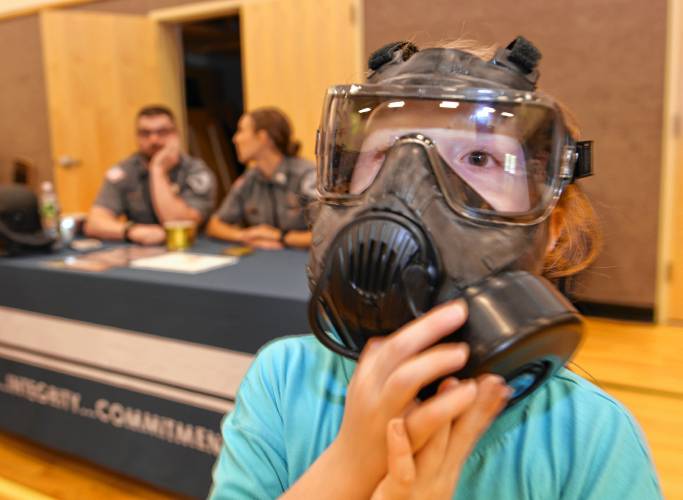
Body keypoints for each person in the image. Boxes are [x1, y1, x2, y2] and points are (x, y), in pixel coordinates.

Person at [209, 39, 662, 499]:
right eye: (383, 155)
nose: (410, 187)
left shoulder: (589, 438)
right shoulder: (284, 380)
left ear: (553, 231)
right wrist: (351, 465)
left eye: (478, 158)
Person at [84, 105, 216, 245]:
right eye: (145, 133)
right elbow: (94, 223)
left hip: (191, 250)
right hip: (141, 251)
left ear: (176, 135)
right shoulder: (125, 171)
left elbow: (178, 224)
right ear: (137, 137)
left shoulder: (195, 171)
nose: (154, 140)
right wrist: (131, 231)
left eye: (162, 132)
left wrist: (157, 169)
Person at [205, 108, 316, 250]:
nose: (235, 139)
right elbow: (214, 226)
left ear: (262, 137)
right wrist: (245, 235)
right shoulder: (249, 179)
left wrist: (281, 237)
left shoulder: (306, 176)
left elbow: (328, 236)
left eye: (241, 131)